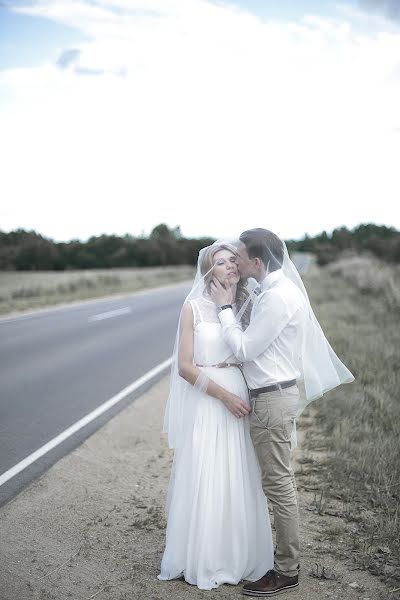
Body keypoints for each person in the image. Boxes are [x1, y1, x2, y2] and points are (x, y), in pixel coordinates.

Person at [210, 228, 354, 597]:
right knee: (276, 481)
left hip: (271, 400)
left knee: (278, 484)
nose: (236, 263)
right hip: (273, 395)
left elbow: (244, 349)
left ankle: (287, 570)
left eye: (240, 257)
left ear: (257, 262)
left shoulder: (278, 297)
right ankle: (276, 559)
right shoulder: (273, 291)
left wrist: (225, 309)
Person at [158, 241, 274, 591]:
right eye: (220, 262)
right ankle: (203, 557)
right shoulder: (192, 307)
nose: (229, 266)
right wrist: (223, 396)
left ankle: (239, 556)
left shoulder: (250, 304)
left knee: (238, 476)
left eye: (232, 260)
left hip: (240, 394)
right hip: (210, 399)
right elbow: (184, 367)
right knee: (207, 474)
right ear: (209, 270)